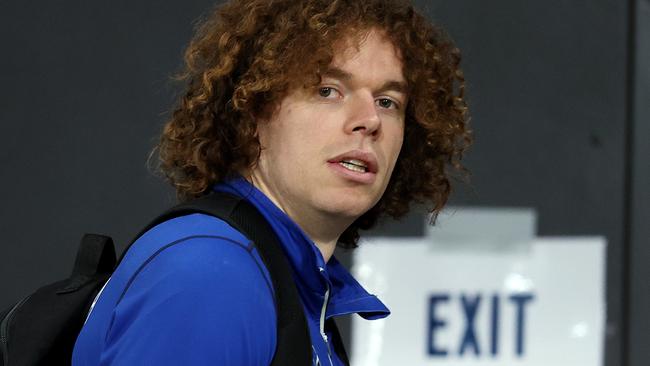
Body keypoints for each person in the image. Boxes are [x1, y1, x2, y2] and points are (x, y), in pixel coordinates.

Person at [72, 0, 470, 364]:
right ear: (253, 109)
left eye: (388, 102)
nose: (370, 119)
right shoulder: (212, 276)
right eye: (328, 90)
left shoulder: (291, 283)